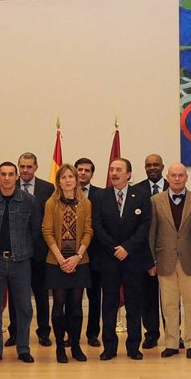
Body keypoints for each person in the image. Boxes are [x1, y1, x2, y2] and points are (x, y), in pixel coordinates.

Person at [91, 158, 152, 360]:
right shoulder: (100, 196)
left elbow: (145, 225)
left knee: (134, 305)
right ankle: (109, 347)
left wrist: (127, 247)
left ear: (129, 174)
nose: (114, 173)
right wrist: (114, 248)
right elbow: (97, 226)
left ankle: (134, 346)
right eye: (111, 169)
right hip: (108, 260)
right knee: (109, 305)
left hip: (134, 259)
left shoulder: (142, 195)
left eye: (119, 170)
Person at [0, 162, 41, 363]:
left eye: (11, 174)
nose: (7, 178)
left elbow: (36, 230)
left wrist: (27, 253)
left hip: (21, 261)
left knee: (24, 307)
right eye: (3, 174)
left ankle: (23, 349)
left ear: (16, 177)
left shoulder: (29, 200)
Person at [148, 162, 191, 359]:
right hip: (165, 260)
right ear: (168, 178)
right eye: (173, 175)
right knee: (169, 304)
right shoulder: (156, 201)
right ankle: (171, 342)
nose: (177, 179)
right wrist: (152, 261)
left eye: (181, 175)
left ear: (186, 177)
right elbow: (152, 233)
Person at [42, 164, 94, 363]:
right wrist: (61, 259)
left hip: (79, 261)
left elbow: (88, 231)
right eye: (63, 177)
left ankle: (76, 345)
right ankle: (60, 347)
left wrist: (77, 257)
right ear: (59, 182)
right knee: (59, 304)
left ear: (76, 180)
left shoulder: (85, 203)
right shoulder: (51, 203)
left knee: (76, 306)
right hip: (57, 261)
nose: (67, 180)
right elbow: (47, 231)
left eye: (71, 176)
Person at [15, 152, 56, 347]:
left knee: (41, 295)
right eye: (22, 166)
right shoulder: (10, 185)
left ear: (36, 168)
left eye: (29, 166)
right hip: (15, 251)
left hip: (40, 251)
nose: (25, 170)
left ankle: (44, 332)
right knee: (17, 295)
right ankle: (15, 332)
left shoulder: (47, 188)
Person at [138, 153, 167, 348]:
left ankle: (174, 334)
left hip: (168, 252)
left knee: (170, 297)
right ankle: (151, 334)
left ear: (162, 167)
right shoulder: (137, 190)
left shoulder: (173, 186)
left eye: (156, 164)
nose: (152, 168)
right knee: (147, 297)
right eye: (149, 165)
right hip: (144, 252)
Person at [76, 157, 106, 347]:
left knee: (95, 298)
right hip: (72, 255)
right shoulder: (64, 194)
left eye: (87, 170)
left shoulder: (101, 195)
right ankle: (72, 334)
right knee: (73, 298)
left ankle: (93, 334)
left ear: (92, 174)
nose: (83, 173)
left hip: (95, 255)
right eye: (80, 169)